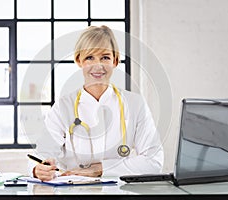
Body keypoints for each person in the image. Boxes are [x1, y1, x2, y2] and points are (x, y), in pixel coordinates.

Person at [29, 25, 164, 181]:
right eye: (89, 57)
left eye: (105, 57)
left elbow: (154, 161)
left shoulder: (135, 104)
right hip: (72, 191)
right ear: (79, 60)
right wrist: (39, 169)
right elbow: (42, 154)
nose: (97, 65)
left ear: (115, 60)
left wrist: (101, 169)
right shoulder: (63, 106)